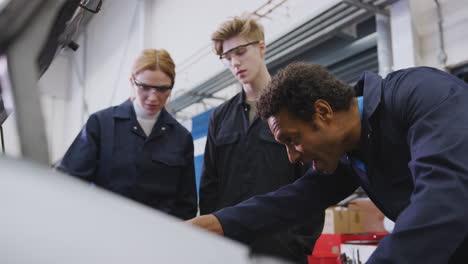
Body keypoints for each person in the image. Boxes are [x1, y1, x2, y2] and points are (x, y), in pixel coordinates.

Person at [189, 62, 468, 263]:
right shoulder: (352, 150)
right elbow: (291, 200)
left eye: (292, 139)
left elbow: (441, 201)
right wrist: (209, 225)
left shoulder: (424, 95)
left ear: (323, 112)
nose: (292, 156)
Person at [198, 17, 324, 263]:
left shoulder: (296, 105)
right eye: (227, 57)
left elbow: (315, 177)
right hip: (229, 247)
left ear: (262, 47)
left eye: (241, 52)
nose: (235, 62)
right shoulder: (221, 117)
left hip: (282, 249)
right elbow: (210, 183)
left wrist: (300, 241)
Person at [58, 49, 197, 220]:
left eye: (162, 89)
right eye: (144, 87)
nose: (153, 97)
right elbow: (68, 182)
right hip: (102, 231)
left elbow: (186, 206)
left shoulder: (181, 138)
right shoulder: (102, 124)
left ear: (171, 86)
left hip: (156, 239)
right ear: (132, 81)